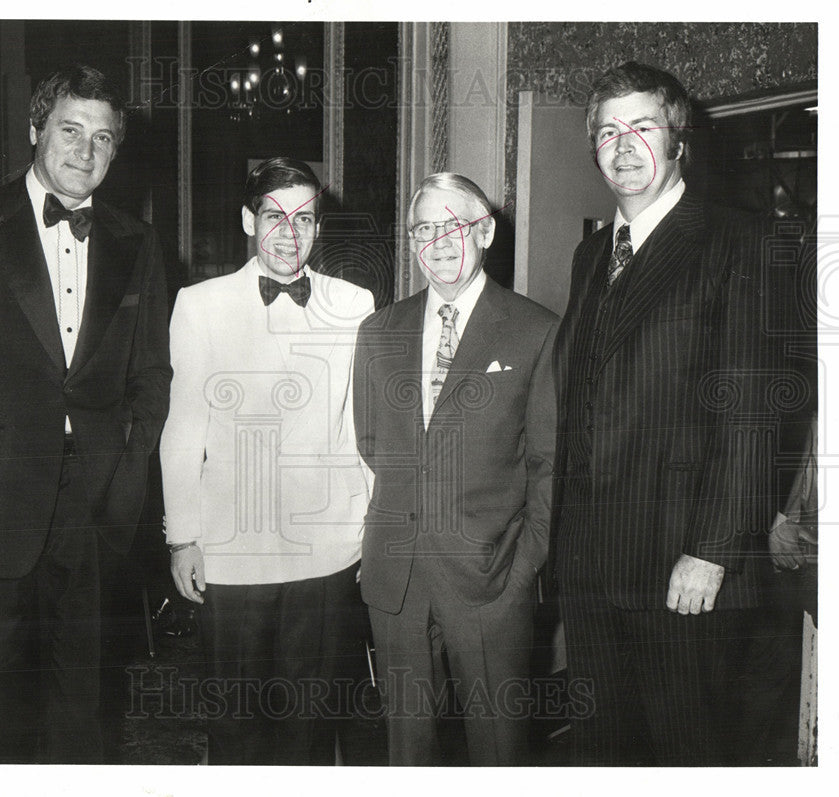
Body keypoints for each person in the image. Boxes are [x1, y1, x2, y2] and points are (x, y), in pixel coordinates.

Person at [0, 65, 171, 763]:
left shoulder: (137, 244)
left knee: (85, 713)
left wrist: (123, 473)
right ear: (34, 130)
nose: (86, 151)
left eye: (104, 139)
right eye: (70, 130)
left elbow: (150, 377)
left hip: (95, 512)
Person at [550, 61, 780, 765]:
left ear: (679, 140)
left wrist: (711, 548)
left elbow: (751, 416)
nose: (624, 145)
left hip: (682, 566)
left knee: (686, 752)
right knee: (605, 749)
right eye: (609, 131)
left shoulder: (737, 241)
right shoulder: (592, 253)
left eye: (643, 126)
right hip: (589, 566)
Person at [160, 157, 375, 765]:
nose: (289, 232)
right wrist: (184, 539)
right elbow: (184, 428)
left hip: (327, 551)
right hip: (230, 553)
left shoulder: (354, 303)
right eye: (275, 217)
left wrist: (371, 532)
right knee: (235, 728)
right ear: (249, 221)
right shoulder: (199, 304)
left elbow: (362, 428)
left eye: (304, 218)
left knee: (313, 728)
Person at [352, 172, 558, 765]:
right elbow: (372, 442)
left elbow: (548, 464)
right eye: (424, 228)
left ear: (486, 231)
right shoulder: (379, 331)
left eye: (455, 225)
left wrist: (524, 568)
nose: (439, 241)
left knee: (498, 750)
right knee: (406, 751)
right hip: (396, 579)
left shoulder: (536, 330)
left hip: (492, 580)